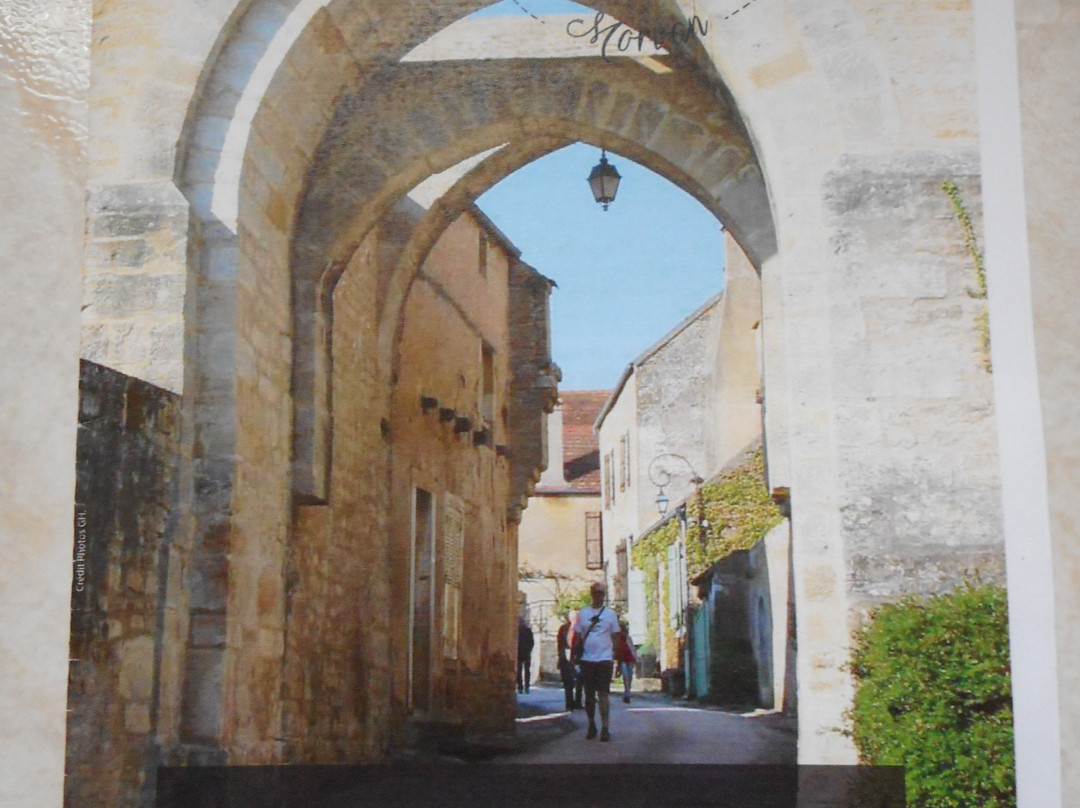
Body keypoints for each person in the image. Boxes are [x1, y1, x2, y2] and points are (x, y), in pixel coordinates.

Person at [572, 581, 620, 742]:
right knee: (589, 695)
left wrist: (615, 655)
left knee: (604, 693)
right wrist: (574, 653)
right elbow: (577, 635)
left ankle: (605, 727)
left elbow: (615, 635)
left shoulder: (610, 614)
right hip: (587, 658)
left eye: (601, 593)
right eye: (596, 593)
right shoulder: (583, 613)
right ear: (592, 594)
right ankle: (592, 723)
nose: (599, 596)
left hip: (604, 658)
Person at [555, 612, 581, 710]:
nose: (575, 619)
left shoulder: (581, 629)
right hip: (566, 657)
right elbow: (560, 642)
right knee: (568, 682)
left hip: (578, 657)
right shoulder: (564, 628)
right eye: (573, 618)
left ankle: (578, 701)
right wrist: (560, 655)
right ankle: (569, 703)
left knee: (580, 681)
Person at [613, 620, 638, 703]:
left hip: (628, 658)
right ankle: (627, 693)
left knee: (629, 676)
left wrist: (636, 658)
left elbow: (632, 648)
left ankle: (627, 692)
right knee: (626, 676)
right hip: (622, 659)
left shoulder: (627, 637)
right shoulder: (616, 638)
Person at [516, 616, 534, 694]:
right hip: (519, 653)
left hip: (525, 653)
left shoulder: (527, 631)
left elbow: (531, 642)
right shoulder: (517, 631)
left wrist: (529, 649)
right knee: (519, 671)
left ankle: (526, 686)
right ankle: (520, 686)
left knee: (527, 670)